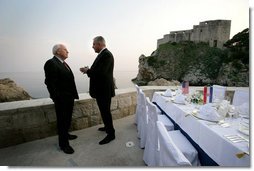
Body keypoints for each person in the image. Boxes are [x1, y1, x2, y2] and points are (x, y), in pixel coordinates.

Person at [44, 44, 79, 154]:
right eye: (65, 50)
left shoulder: (63, 63)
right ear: (58, 52)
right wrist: (56, 98)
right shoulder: (51, 63)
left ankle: (66, 135)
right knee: (62, 121)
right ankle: (63, 145)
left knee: (67, 119)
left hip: (69, 98)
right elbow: (50, 83)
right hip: (61, 99)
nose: (68, 51)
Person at [80, 36, 115, 145]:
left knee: (106, 112)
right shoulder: (102, 55)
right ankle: (107, 127)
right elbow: (98, 70)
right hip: (102, 90)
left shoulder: (107, 55)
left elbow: (102, 73)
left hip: (104, 91)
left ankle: (111, 134)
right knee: (104, 112)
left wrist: (87, 71)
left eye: (94, 44)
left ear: (99, 44)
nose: (92, 46)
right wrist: (89, 70)